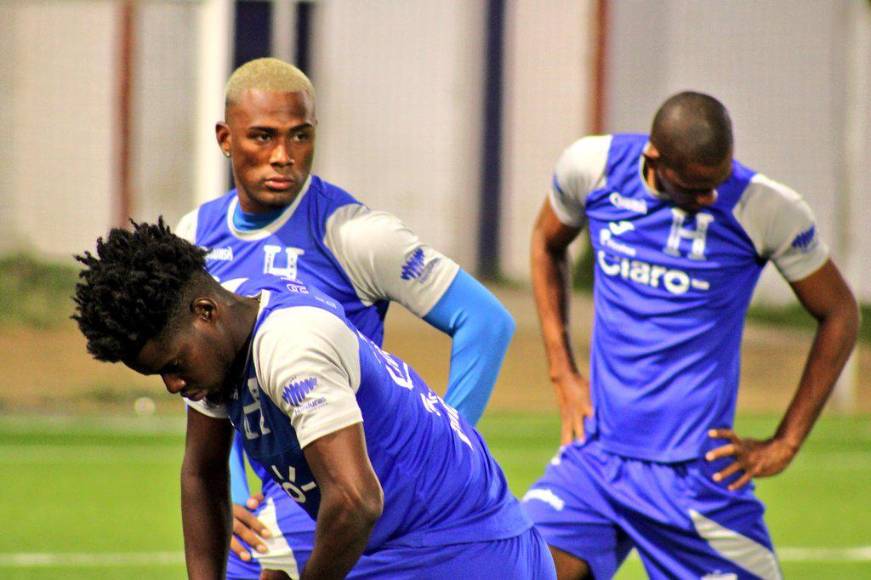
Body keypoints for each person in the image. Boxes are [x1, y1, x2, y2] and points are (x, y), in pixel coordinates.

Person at [174, 57, 516, 578]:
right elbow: (200, 368)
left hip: (341, 472)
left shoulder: (354, 234)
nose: (283, 157)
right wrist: (234, 490)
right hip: (272, 486)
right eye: (263, 137)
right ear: (225, 138)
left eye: (300, 136)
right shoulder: (194, 235)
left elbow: (486, 322)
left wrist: (442, 452)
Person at [72, 219, 556, 580]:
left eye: (174, 366)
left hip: (465, 547)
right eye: (160, 375)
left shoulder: (291, 346)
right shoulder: (221, 333)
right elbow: (202, 472)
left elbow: (356, 499)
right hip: (405, 542)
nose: (173, 386)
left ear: (206, 312)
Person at [522, 91, 859, 579]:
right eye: (696, 188)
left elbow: (840, 312)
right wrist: (562, 371)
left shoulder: (765, 208)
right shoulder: (591, 167)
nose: (710, 199)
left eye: (718, 182)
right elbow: (545, 243)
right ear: (653, 159)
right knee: (518, 568)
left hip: (694, 480)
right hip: (593, 461)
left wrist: (785, 442)